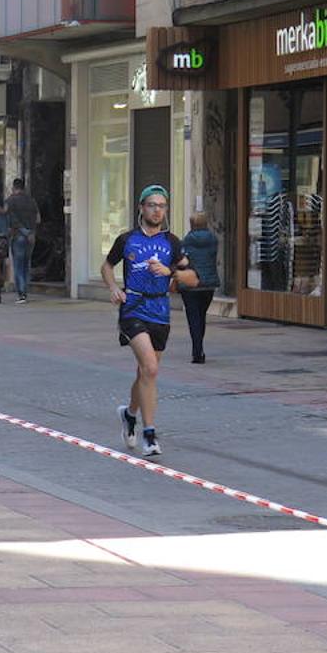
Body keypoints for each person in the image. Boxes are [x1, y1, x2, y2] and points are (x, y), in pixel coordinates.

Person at [101, 184, 197, 457]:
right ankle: (150, 434)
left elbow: (193, 277)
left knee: (146, 372)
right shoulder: (127, 239)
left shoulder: (172, 242)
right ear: (141, 208)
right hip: (133, 307)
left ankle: (130, 414)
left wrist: (172, 272)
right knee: (151, 369)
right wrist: (113, 288)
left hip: (160, 311)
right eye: (152, 205)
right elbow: (107, 266)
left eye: (162, 206)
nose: (157, 210)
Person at [180, 212, 220, 364]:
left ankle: (197, 351)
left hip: (190, 285)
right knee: (201, 316)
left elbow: (181, 261)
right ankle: (199, 347)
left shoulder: (185, 242)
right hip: (208, 284)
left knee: (193, 318)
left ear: (191, 224)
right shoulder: (213, 240)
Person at [5, 178, 40, 304]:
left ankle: (21, 293)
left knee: (18, 266)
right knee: (26, 264)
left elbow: (9, 220)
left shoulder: (10, 201)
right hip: (31, 236)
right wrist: (30, 232)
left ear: (13, 187)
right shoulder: (32, 201)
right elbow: (38, 219)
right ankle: (25, 289)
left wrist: (22, 231)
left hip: (18, 236)